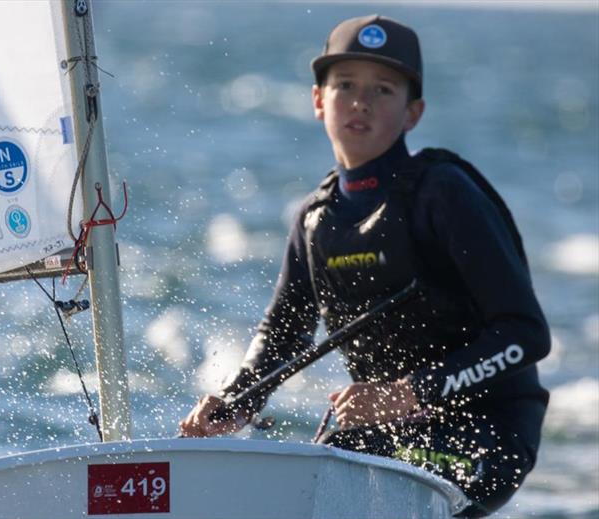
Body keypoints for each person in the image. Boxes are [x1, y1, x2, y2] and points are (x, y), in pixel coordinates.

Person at [179, 14, 550, 518]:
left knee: (349, 484)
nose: (361, 101)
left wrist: (409, 393)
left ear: (413, 113)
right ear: (318, 100)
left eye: (383, 89)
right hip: (383, 436)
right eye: (346, 85)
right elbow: (282, 337)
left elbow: (526, 335)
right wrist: (233, 403)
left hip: (487, 435)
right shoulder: (314, 222)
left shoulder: (444, 194)